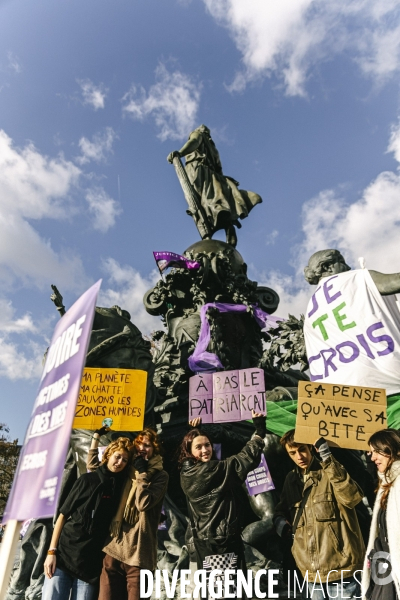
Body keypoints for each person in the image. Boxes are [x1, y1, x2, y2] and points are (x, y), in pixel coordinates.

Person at [178, 411, 266, 595]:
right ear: (189, 451)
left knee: (220, 592)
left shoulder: (189, 471)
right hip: (219, 544)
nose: (205, 450)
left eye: (207, 445)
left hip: (211, 542)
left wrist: (195, 431)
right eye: (199, 447)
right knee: (225, 593)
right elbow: (241, 462)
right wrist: (259, 432)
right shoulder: (205, 471)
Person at [274, 429, 365, 599]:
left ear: (310, 448)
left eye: (302, 449)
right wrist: (281, 525)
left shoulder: (330, 472)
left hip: (341, 573)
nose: (298, 456)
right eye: (292, 453)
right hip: (310, 574)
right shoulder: (291, 480)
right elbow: (281, 510)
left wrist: (327, 456)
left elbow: (352, 498)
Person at [42, 436, 132, 600]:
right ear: (108, 455)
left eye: (125, 460)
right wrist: (51, 552)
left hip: (90, 565)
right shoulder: (87, 480)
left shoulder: (120, 488)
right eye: (117, 456)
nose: (119, 462)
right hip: (64, 556)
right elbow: (62, 516)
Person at [303, 249, 400, 400]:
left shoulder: (310, 312)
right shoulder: (356, 278)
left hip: (344, 398)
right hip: (389, 380)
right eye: (341, 262)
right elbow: (396, 282)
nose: (348, 267)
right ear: (327, 267)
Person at [87, 427, 168, 600]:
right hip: (114, 546)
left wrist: (143, 474)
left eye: (147, 445)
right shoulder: (127, 467)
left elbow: (143, 503)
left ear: (154, 449)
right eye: (138, 444)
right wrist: (96, 436)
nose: (142, 448)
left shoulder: (160, 475)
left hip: (139, 553)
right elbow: (94, 467)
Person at [167, 125, 262, 247]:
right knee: (213, 201)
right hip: (213, 177)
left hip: (197, 171)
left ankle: (207, 231)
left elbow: (194, 142)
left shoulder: (198, 134)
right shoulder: (214, 150)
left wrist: (180, 153)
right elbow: (219, 169)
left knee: (199, 203)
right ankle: (226, 226)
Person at [362, 429, 400, 600]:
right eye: (371, 452)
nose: (372, 458)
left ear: (391, 450)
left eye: (377, 452)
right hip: (384, 573)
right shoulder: (387, 484)